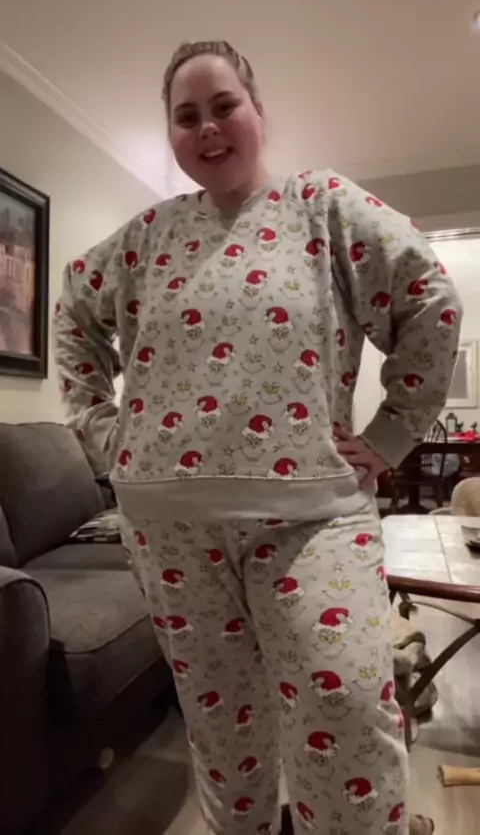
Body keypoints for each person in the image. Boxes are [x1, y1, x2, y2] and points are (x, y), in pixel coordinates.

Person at [53, 40, 461, 835]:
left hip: (313, 517)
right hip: (170, 531)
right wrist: (103, 429)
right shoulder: (146, 237)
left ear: (258, 112)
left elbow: (429, 295)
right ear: (172, 135)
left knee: (346, 711)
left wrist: (393, 432)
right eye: (186, 116)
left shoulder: (321, 206)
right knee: (224, 735)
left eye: (223, 105)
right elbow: (72, 313)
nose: (207, 126)